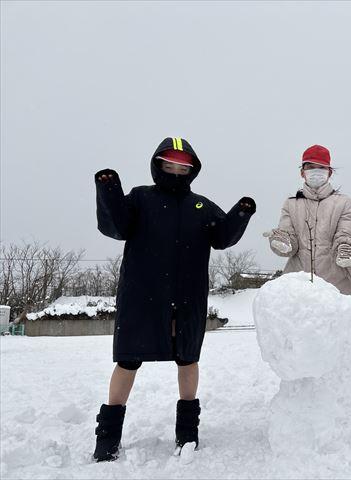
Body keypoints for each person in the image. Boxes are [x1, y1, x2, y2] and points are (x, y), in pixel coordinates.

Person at [92, 137, 256, 461]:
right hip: (141, 295)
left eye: (183, 167)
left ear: (192, 170)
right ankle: (107, 437)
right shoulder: (140, 198)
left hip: (187, 297)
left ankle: (187, 433)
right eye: (170, 165)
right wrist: (109, 190)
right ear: (158, 165)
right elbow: (116, 226)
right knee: (127, 360)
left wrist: (241, 213)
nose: (176, 172)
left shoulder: (201, 206)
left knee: (188, 358)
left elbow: (222, 236)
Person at [264, 144, 351, 332]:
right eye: (310, 166)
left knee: (335, 338)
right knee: (301, 337)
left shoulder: (343, 203)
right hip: (299, 287)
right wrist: (282, 242)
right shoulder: (291, 204)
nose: (316, 171)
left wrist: (344, 248)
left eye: (321, 167)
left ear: (329, 172)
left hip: (336, 283)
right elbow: (289, 240)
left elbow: (345, 232)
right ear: (302, 172)